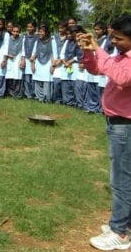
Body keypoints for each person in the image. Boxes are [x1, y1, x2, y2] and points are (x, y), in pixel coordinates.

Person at [80, 16, 131, 251]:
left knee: (121, 180)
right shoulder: (120, 56)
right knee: (123, 177)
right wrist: (88, 51)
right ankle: (124, 224)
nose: (114, 42)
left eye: (118, 38)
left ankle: (120, 232)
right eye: (112, 37)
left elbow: (121, 77)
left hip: (125, 126)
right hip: (117, 124)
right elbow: (97, 68)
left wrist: (99, 49)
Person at [30, 24, 54, 103]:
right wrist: (32, 64)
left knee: (47, 81)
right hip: (38, 62)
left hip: (48, 63)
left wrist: (53, 65)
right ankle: (39, 97)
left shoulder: (52, 41)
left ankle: (47, 98)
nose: (39, 33)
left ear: (46, 32)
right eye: (39, 32)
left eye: (41, 32)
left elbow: (53, 53)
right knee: (38, 80)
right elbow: (34, 53)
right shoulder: (37, 41)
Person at [3, 24, 25, 98]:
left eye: (17, 31)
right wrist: (7, 55)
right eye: (14, 31)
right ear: (11, 31)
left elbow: (23, 50)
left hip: (18, 58)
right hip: (9, 59)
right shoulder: (8, 39)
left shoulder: (22, 39)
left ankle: (17, 93)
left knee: (18, 76)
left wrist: (22, 60)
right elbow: (5, 48)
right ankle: (10, 92)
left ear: (19, 32)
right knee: (9, 76)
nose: (15, 33)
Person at [22, 21, 37, 99]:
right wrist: (23, 59)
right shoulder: (24, 36)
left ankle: (34, 93)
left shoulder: (37, 37)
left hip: (35, 59)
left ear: (34, 28)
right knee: (27, 77)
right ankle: (28, 94)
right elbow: (23, 48)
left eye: (31, 27)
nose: (29, 28)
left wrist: (34, 57)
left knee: (34, 77)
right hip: (27, 59)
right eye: (28, 27)